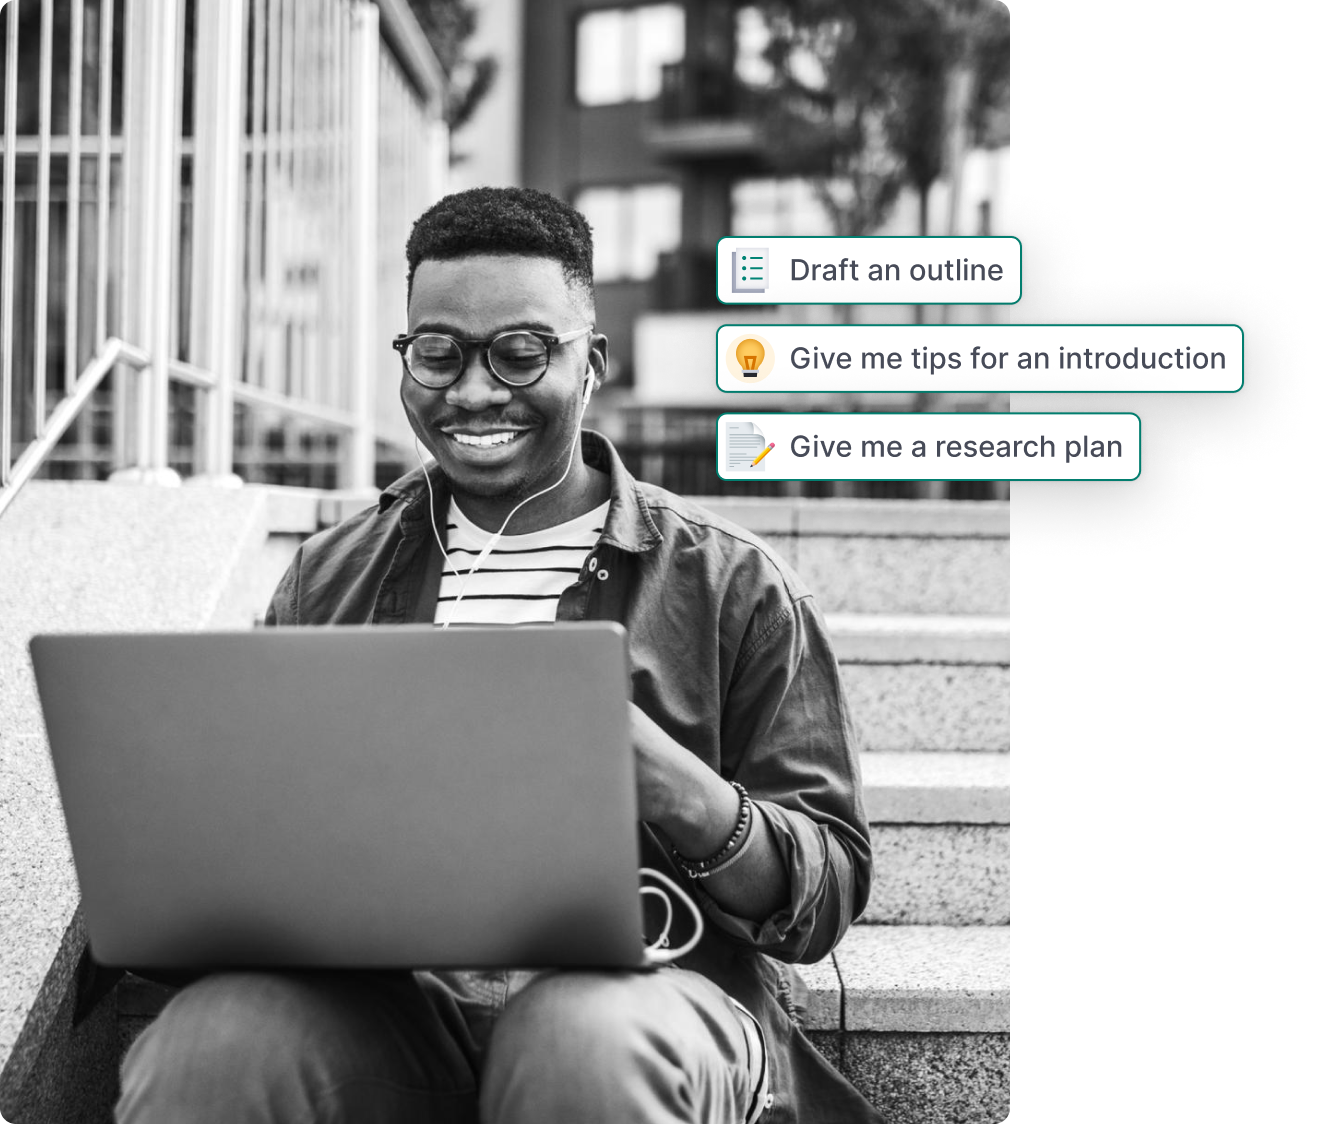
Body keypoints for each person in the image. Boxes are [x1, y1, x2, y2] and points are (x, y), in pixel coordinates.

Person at [116, 187, 881, 1124]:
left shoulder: (734, 584)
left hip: (650, 1003)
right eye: (437, 353)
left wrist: (670, 784)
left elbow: (829, 886)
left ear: (591, 362)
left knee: (573, 1036)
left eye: (521, 353)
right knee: (212, 1043)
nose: (474, 392)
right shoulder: (329, 578)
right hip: (397, 1016)